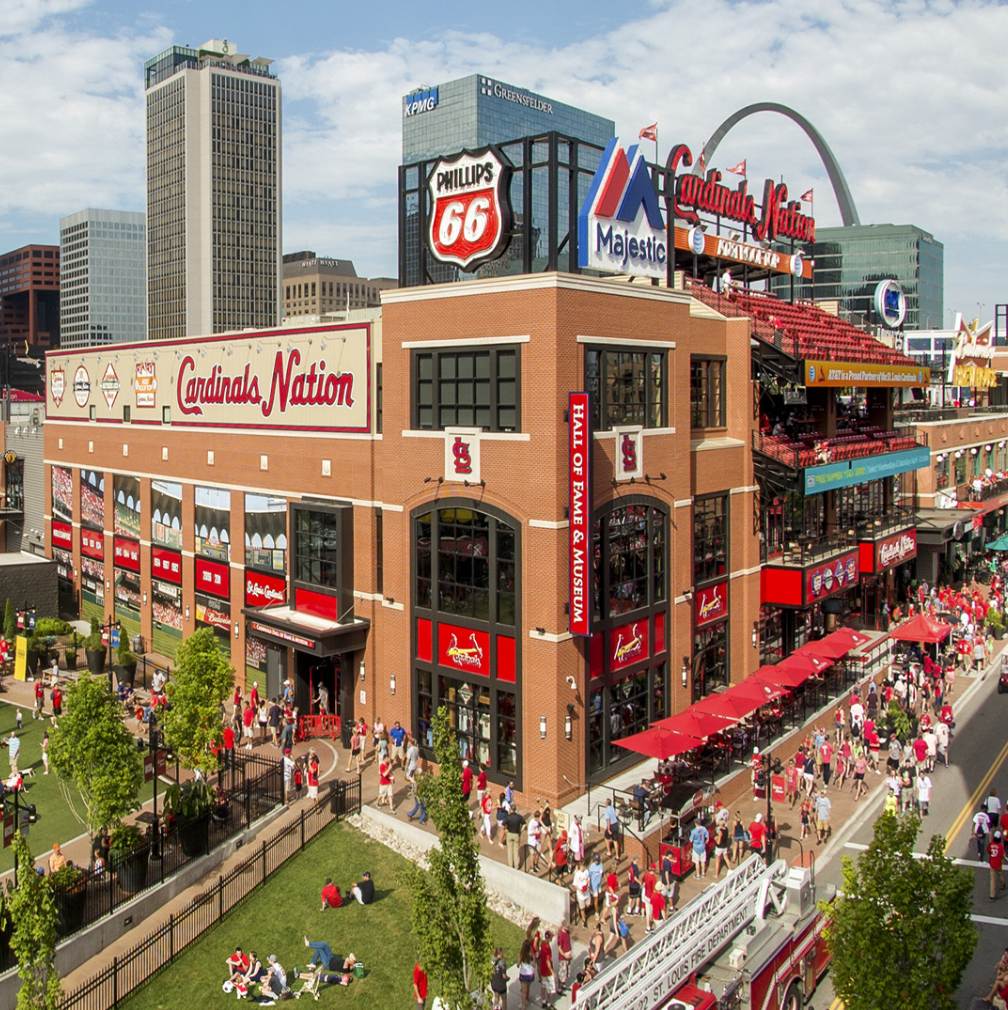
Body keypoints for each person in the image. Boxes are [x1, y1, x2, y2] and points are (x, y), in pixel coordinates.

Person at [505, 805, 526, 869]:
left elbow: (503, 824)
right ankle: (517, 865)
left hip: (509, 834)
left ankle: (510, 864)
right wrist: (521, 830)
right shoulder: (519, 817)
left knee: (510, 850)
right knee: (516, 850)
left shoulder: (508, 817)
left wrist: (505, 829)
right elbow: (524, 824)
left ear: (510, 810)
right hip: (516, 834)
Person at [518, 940, 536, 1010]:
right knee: (528, 988)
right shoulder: (532, 955)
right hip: (530, 974)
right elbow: (534, 965)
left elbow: (517, 965)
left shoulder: (521, 955)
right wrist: (534, 959)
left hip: (523, 974)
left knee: (523, 992)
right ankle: (528, 997)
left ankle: (523, 1007)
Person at [539, 929, 555, 1008]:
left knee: (543, 986)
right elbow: (548, 961)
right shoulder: (547, 948)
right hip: (548, 972)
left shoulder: (542, 944)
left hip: (542, 969)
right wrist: (552, 972)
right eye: (551, 937)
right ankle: (549, 1004)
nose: (552, 939)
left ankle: (543, 1001)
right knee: (551, 988)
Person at [573, 861, 591, 926]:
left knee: (588, 904)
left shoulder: (586, 872)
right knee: (582, 908)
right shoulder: (577, 874)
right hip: (580, 893)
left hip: (586, 892)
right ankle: (584, 920)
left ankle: (582, 912)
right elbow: (575, 884)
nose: (582, 868)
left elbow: (588, 879)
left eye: (583, 866)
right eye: (581, 866)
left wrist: (588, 884)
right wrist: (580, 890)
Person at [556, 921, 573, 993]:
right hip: (563, 958)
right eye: (566, 927)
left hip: (568, 955)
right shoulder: (561, 935)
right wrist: (565, 955)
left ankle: (563, 985)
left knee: (566, 972)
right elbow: (559, 948)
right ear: (563, 926)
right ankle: (559, 988)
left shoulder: (567, 933)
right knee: (561, 973)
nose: (568, 928)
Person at [991, 830, 1006, 902]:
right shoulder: (1000, 846)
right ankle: (1001, 885)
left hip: (992, 863)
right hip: (998, 863)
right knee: (1000, 874)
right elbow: (1002, 855)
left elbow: (989, 851)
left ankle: (992, 895)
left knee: (992, 879)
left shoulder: (991, 844)